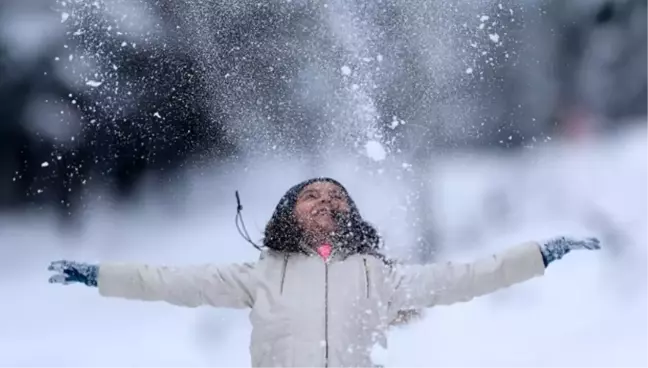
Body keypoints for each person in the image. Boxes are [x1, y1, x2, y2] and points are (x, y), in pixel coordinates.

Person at [48, 177, 600, 368]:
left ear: (351, 215)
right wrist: (98, 275)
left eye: (336, 197)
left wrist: (540, 254)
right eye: (310, 195)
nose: (324, 202)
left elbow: (468, 275)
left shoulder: (380, 276)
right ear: (287, 212)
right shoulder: (259, 275)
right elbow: (167, 279)